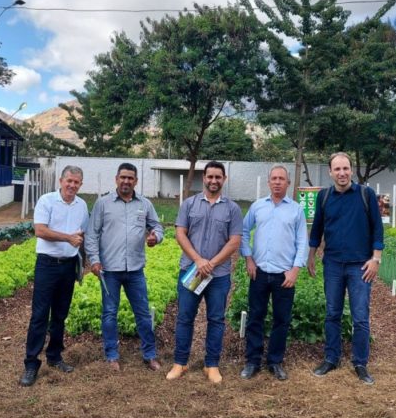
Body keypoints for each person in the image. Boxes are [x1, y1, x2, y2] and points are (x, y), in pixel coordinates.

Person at [308, 152, 383, 385]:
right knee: (332, 313)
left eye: (346, 168)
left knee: (360, 317)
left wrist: (375, 259)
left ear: (351, 170)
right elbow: (317, 229)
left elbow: (377, 229)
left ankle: (360, 363)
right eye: (337, 169)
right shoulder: (324, 196)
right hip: (332, 264)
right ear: (330, 172)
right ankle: (331, 358)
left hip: (360, 266)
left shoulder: (365, 194)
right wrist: (311, 256)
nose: (342, 173)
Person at [167, 161, 242, 384]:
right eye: (210, 177)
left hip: (218, 276)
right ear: (204, 178)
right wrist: (199, 261)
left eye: (218, 177)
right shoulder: (189, 205)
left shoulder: (233, 209)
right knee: (185, 318)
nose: (213, 181)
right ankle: (180, 363)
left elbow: (234, 241)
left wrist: (211, 263)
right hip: (191, 271)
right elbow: (180, 234)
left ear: (224, 179)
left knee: (216, 319)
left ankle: (212, 365)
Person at [85, 162, 164, 372]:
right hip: (109, 270)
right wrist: (93, 259)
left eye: (130, 178)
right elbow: (92, 234)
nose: (126, 181)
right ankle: (112, 356)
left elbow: (156, 226)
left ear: (136, 181)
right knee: (110, 313)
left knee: (143, 314)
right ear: (116, 179)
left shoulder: (144, 204)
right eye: (123, 177)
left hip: (135, 270)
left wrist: (157, 237)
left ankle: (150, 355)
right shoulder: (103, 204)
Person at [19, 166, 89, 387]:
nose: (72, 185)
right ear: (61, 181)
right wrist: (67, 238)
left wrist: (84, 261)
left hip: (68, 266)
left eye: (76, 182)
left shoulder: (82, 205)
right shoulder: (47, 201)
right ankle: (31, 363)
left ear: (80, 184)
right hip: (47, 265)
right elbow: (40, 230)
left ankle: (55, 356)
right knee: (39, 315)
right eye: (69, 181)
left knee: (60, 314)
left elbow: (82, 235)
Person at [239, 165, 308, 381]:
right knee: (255, 317)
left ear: (288, 183)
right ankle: (253, 361)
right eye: (274, 178)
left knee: (281, 319)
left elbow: (302, 241)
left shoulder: (296, 210)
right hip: (258, 272)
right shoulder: (258, 206)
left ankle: (275, 361)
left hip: (284, 276)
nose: (277, 182)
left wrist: (295, 269)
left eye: (282, 179)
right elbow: (243, 230)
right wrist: (248, 258)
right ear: (269, 182)